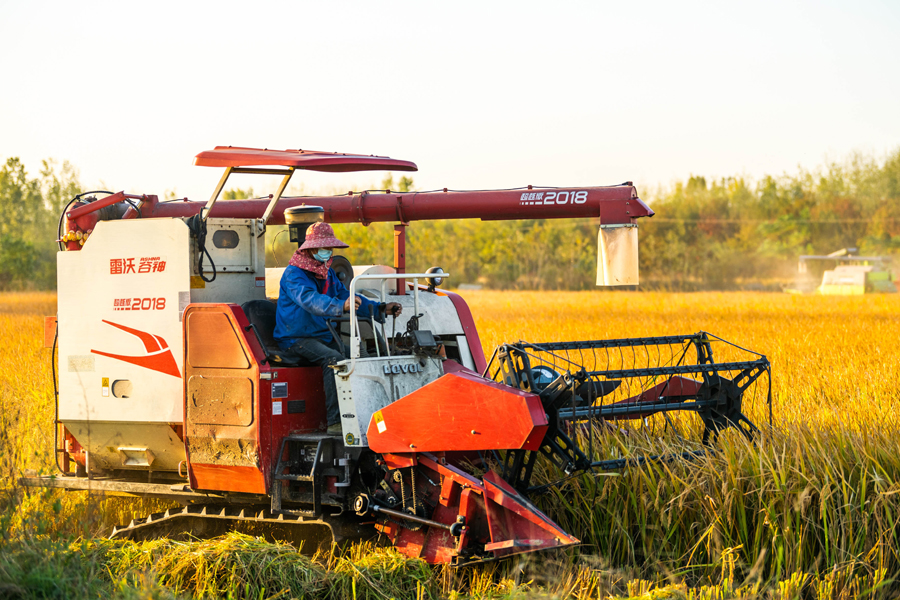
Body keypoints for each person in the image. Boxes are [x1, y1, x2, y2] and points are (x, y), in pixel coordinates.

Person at [274, 222, 402, 434]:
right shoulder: (294, 275)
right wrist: (339, 306)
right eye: (325, 248)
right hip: (295, 339)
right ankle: (336, 422)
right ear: (311, 249)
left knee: (359, 356)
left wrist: (380, 308)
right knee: (333, 360)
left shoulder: (327, 273)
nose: (329, 253)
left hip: (322, 335)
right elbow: (309, 300)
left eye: (330, 248)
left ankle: (371, 414)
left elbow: (347, 297)